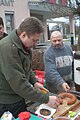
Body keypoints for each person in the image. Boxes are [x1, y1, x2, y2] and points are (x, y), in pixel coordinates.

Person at [0, 17, 60, 118]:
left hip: (18, 97)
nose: (35, 44)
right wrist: (47, 99)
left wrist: (34, 82)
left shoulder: (24, 46)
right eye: (34, 40)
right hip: (8, 102)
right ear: (23, 35)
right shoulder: (8, 49)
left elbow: (27, 69)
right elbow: (19, 85)